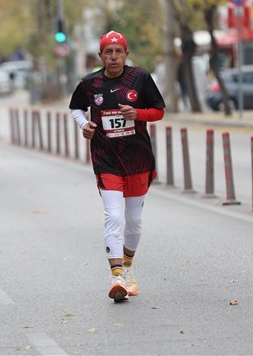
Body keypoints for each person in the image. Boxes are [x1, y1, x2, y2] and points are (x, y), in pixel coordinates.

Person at [69, 30, 166, 302]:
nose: (114, 57)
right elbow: (76, 108)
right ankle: (117, 277)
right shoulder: (90, 83)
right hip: (106, 158)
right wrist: (84, 124)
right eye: (108, 52)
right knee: (113, 215)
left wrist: (138, 113)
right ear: (101, 56)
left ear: (126, 54)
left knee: (133, 220)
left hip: (137, 159)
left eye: (118, 51)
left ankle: (128, 266)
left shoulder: (140, 78)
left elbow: (159, 111)